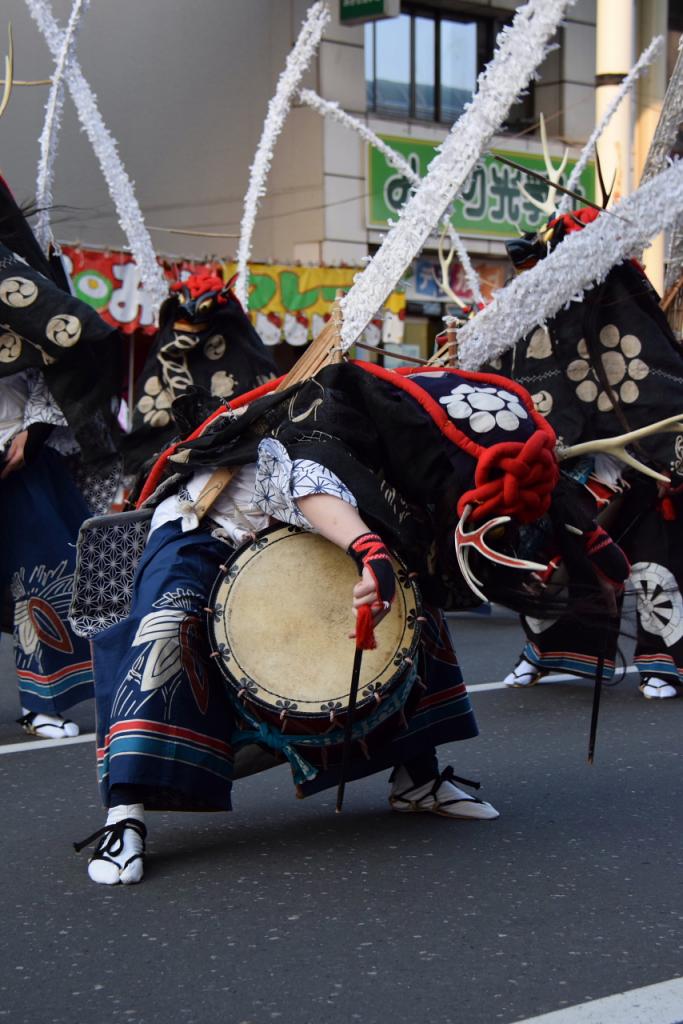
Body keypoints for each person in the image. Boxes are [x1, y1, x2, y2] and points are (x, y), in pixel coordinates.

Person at [74, 355, 629, 885]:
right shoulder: (336, 427)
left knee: (412, 616)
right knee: (165, 627)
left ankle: (416, 777)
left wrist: (597, 551)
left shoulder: (444, 440)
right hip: (209, 522)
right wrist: (368, 548)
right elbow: (310, 483)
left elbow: (539, 482)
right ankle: (125, 815)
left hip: (306, 531)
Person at [491, 208, 683, 700]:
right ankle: (545, 651)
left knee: (654, 557)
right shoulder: (544, 313)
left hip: (643, 457)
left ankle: (662, 660)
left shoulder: (626, 301)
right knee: (555, 552)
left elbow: (659, 382)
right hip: (576, 455)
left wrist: (667, 458)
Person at [0, 175, 123, 737]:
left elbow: (68, 351)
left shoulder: (17, 274)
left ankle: (43, 701)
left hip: (17, 453)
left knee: (59, 568)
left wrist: (34, 432)